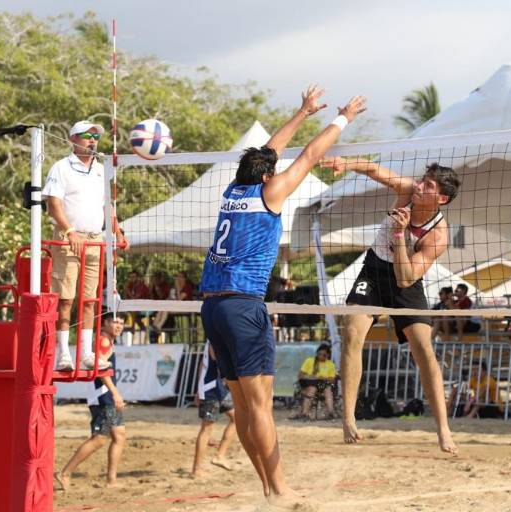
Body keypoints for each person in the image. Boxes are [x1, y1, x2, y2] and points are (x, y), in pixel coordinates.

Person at [199, 86, 366, 507]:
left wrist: (302, 111)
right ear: (267, 177)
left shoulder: (233, 193)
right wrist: (343, 117)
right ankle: (278, 488)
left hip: (213, 307)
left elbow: (267, 153)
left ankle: (266, 484)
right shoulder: (268, 193)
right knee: (261, 405)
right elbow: (308, 155)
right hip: (242, 305)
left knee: (242, 402)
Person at [319, 156, 460, 454]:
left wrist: (399, 235)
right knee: (352, 335)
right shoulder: (408, 190)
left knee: (424, 350)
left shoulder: (438, 234)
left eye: (429, 185)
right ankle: (348, 418)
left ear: (442, 198)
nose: (421, 186)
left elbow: (406, 278)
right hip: (373, 270)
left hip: (404, 279)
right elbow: (372, 169)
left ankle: (444, 429)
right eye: (423, 180)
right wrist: (345, 163)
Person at [43, 120, 128, 371]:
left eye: (96, 137)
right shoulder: (61, 167)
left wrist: (117, 232)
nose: (92, 140)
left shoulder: (102, 169)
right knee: (66, 299)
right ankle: (64, 354)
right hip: (68, 237)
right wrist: (69, 231)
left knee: (90, 299)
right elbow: (53, 204)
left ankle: (86, 354)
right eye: (87, 135)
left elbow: (107, 205)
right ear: (72, 139)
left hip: (95, 239)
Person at [55, 314, 127, 490]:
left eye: (122, 323)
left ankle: (111, 480)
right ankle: (65, 473)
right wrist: (115, 393)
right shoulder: (103, 341)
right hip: (103, 397)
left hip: (105, 396)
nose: (119, 326)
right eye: (115, 322)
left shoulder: (106, 340)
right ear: (105, 323)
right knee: (99, 439)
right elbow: (100, 369)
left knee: (119, 435)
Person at [192, 340, 237, 479]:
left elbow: (203, 364)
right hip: (211, 388)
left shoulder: (216, 335)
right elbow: (216, 360)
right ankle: (196, 469)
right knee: (206, 428)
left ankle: (220, 455)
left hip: (217, 388)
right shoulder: (215, 337)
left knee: (237, 418)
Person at [293, 344, 337, 420]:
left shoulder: (330, 364)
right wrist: (312, 377)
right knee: (312, 389)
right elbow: (300, 375)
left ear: (328, 355)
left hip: (323, 384)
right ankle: (305, 413)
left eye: (324, 355)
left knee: (328, 390)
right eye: (319, 354)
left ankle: (330, 412)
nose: (321, 356)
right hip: (309, 384)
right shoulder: (310, 361)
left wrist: (322, 377)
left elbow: (332, 379)